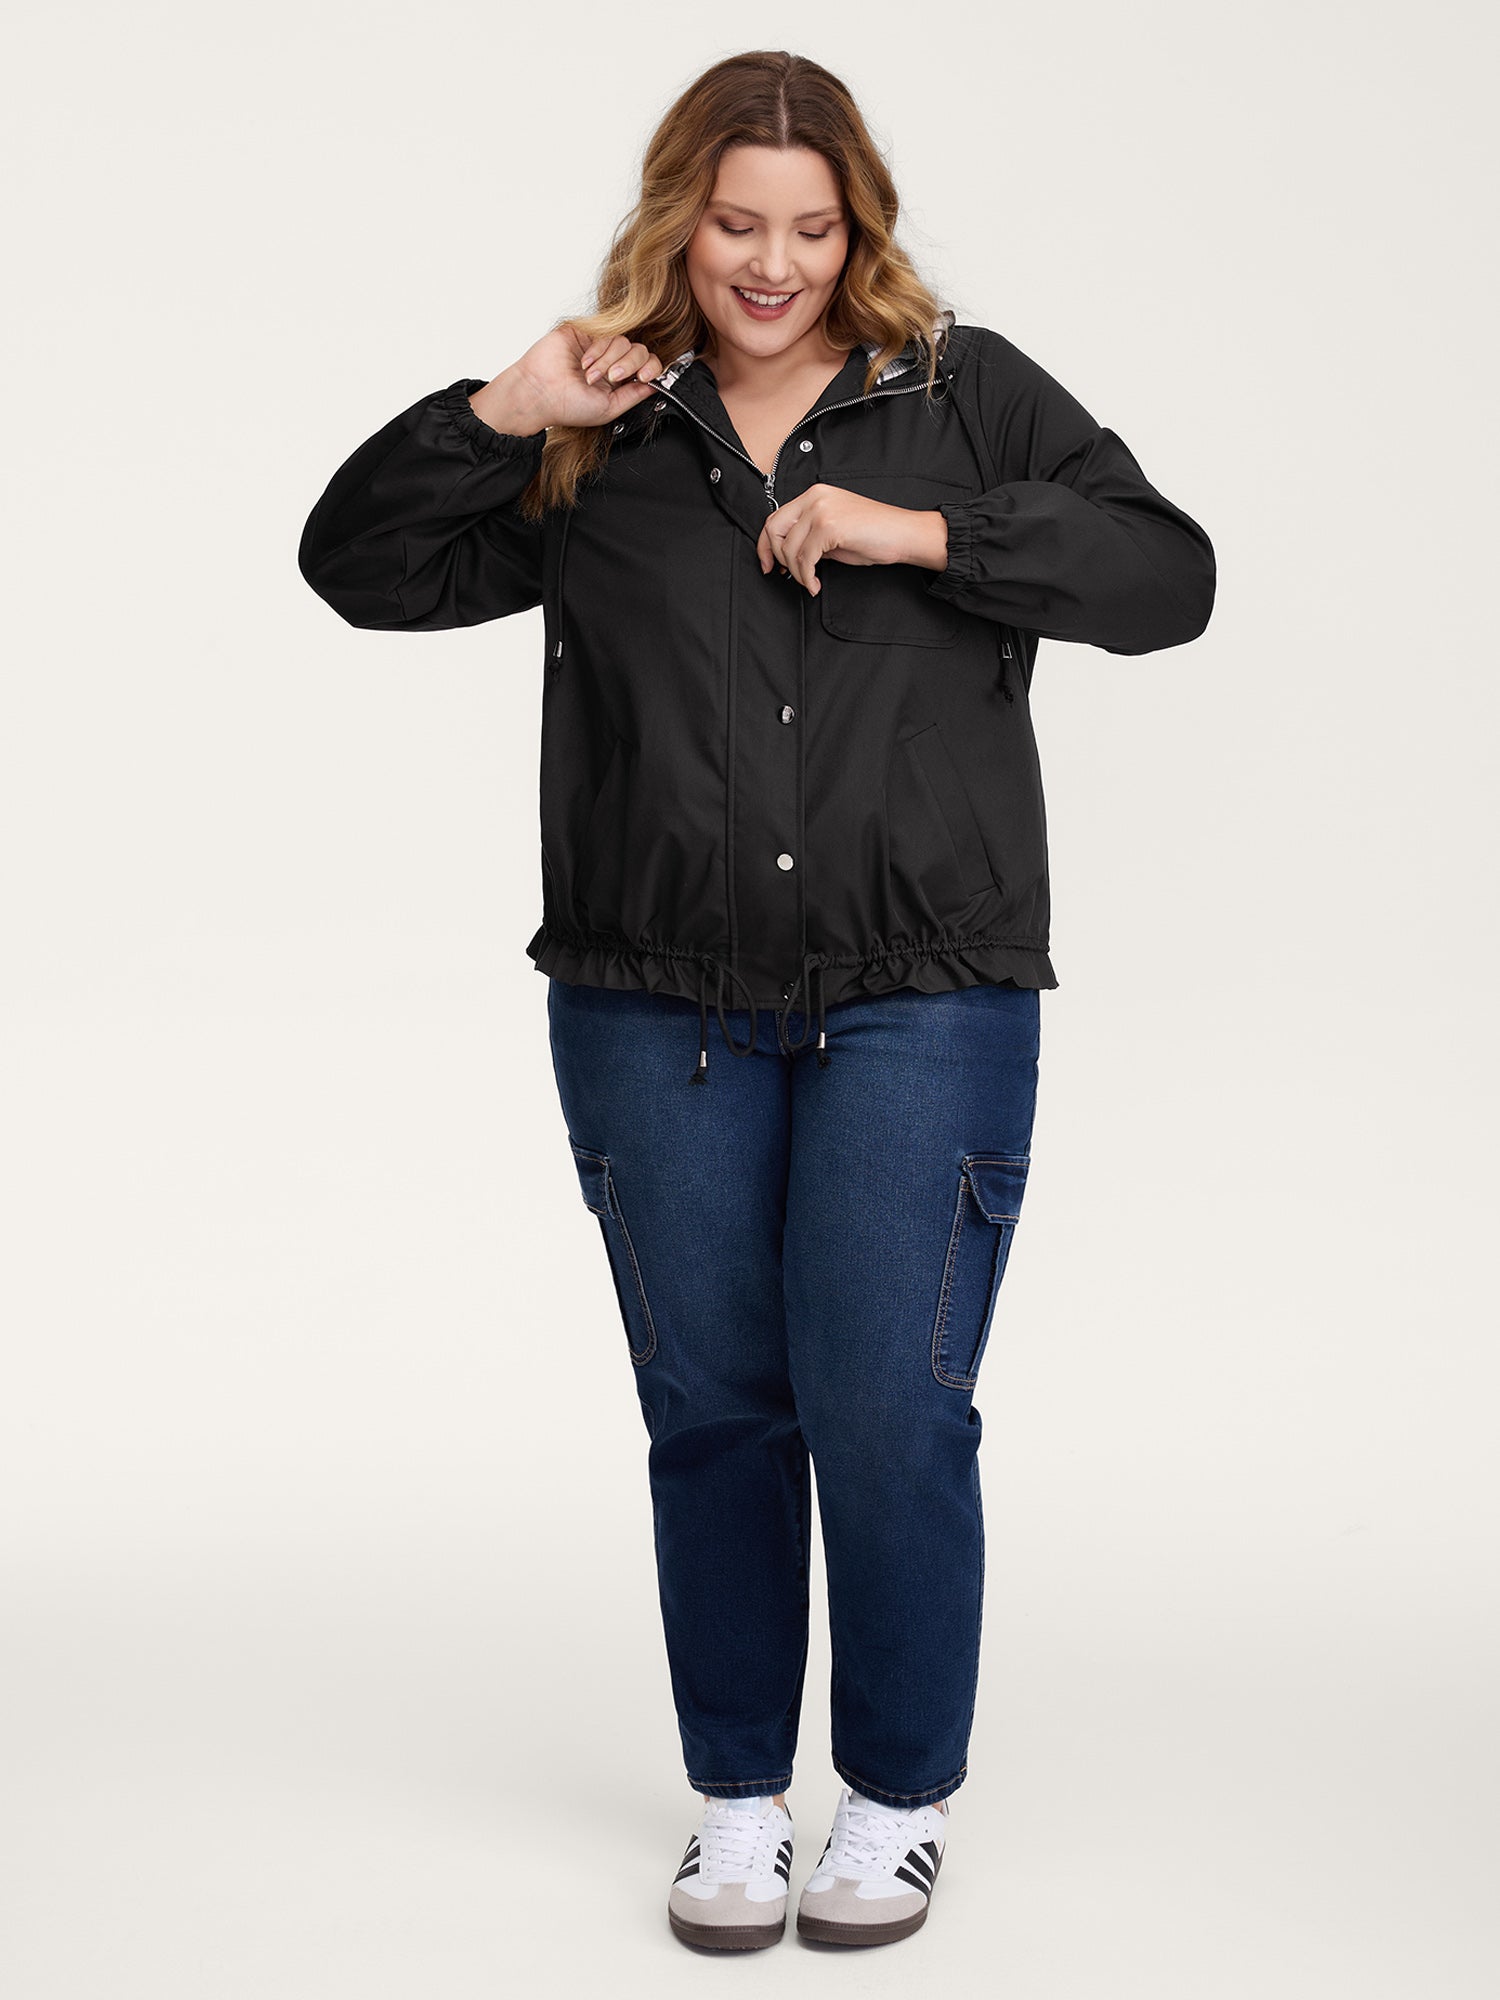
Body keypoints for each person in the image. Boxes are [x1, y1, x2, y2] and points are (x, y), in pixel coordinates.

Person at [298, 47, 1215, 1953]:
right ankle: (735, 1800)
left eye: (811, 226)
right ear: (680, 223)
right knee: (713, 1411)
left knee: (887, 1413)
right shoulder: (606, 428)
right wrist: (503, 408)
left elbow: (1166, 575)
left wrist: (928, 534)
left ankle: (894, 1799)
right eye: (736, 224)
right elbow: (360, 568)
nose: (773, 264)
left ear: (859, 228)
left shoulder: (963, 398)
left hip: (923, 992)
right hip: (655, 1003)